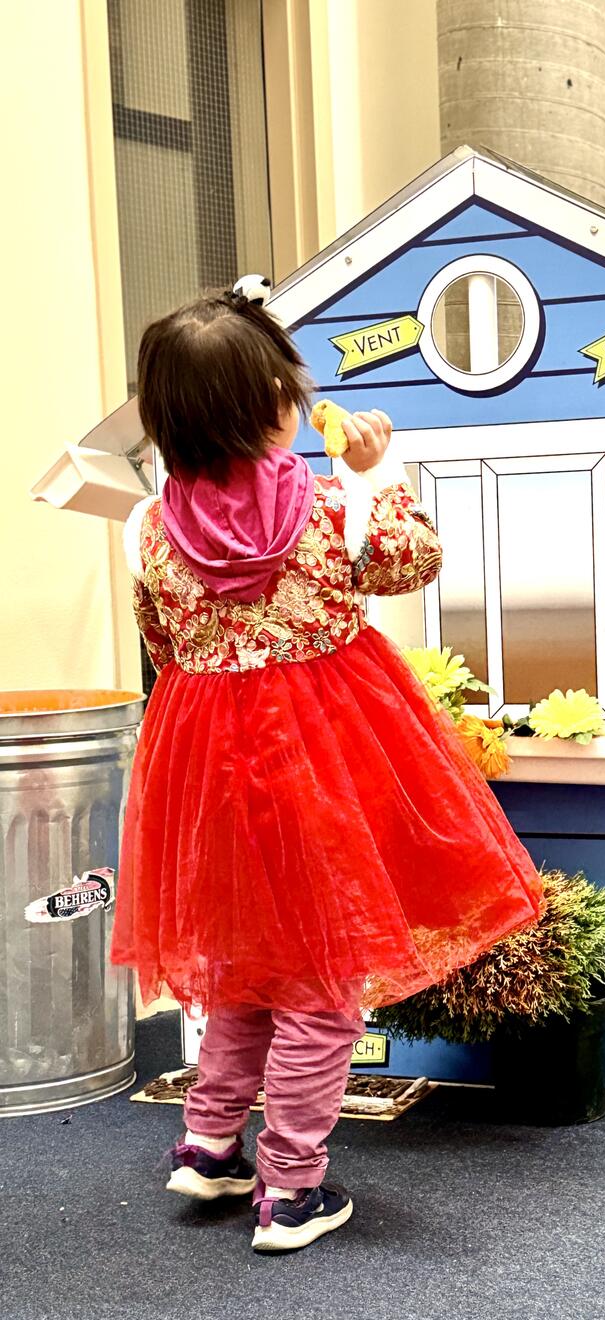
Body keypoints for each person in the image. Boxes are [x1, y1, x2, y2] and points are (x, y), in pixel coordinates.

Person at [113, 282, 543, 1254]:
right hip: (324, 762)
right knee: (319, 979)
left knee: (241, 964)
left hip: (205, 769)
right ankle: (291, 1186)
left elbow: (162, 642)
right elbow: (413, 559)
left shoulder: (147, 528)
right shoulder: (327, 506)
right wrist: (376, 473)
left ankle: (209, 1144)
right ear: (272, 404)